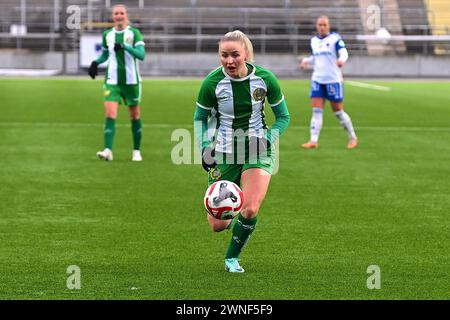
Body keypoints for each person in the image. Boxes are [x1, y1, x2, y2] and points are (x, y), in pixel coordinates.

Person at [193, 30, 290, 273]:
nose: (229, 61)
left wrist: (268, 138)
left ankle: (231, 259)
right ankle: (232, 219)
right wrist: (205, 148)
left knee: (249, 208)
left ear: (246, 54)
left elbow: (283, 117)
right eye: (224, 55)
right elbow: (200, 118)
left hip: (258, 149)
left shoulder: (265, 79)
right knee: (217, 224)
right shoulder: (212, 83)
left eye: (235, 55)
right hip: (225, 152)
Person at [88, 4, 145, 161]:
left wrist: (126, 47)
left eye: (121, 13)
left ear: (126, 15)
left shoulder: (134, 33)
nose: (119, 16)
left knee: (134, 115)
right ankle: (108, 150)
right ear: (113, 16)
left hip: (131, 81)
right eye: (116, 13)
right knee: (110, 113)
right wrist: (95, 63)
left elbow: (141, 55)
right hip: (112, 80)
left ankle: (136, 151)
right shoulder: (107, 34)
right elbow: (105, 55)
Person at [300, 16, 358, 149]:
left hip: (333, 80)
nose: (322, 27)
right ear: (316, 26)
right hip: (317, 79)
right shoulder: (314, 41)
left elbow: (344, 53)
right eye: (320, 25)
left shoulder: (335, 39)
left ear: (328, 26)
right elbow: (315, 57)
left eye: (324, 25)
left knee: (338, 111)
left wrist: (342, 60)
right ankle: (313, 141)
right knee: (316, 110)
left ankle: (353, 137)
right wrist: (306, 61)